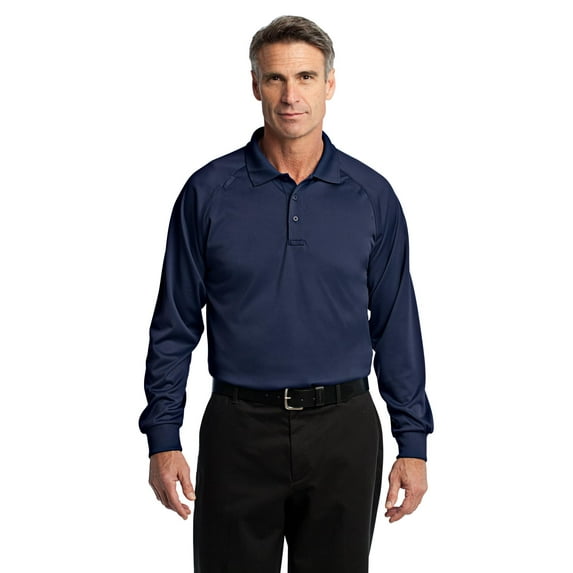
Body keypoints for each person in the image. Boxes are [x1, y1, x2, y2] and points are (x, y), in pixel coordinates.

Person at [139, 14, 433, 573]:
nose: (290, 95)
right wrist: (163, 434)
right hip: (239, 430)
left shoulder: (371, 196)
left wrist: (412, 441)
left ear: (330, 84)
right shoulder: (208, 192)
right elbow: (174, 324)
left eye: (305, 77)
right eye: (275, 78)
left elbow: (397, 324)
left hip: (345, 431)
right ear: (255, 85)